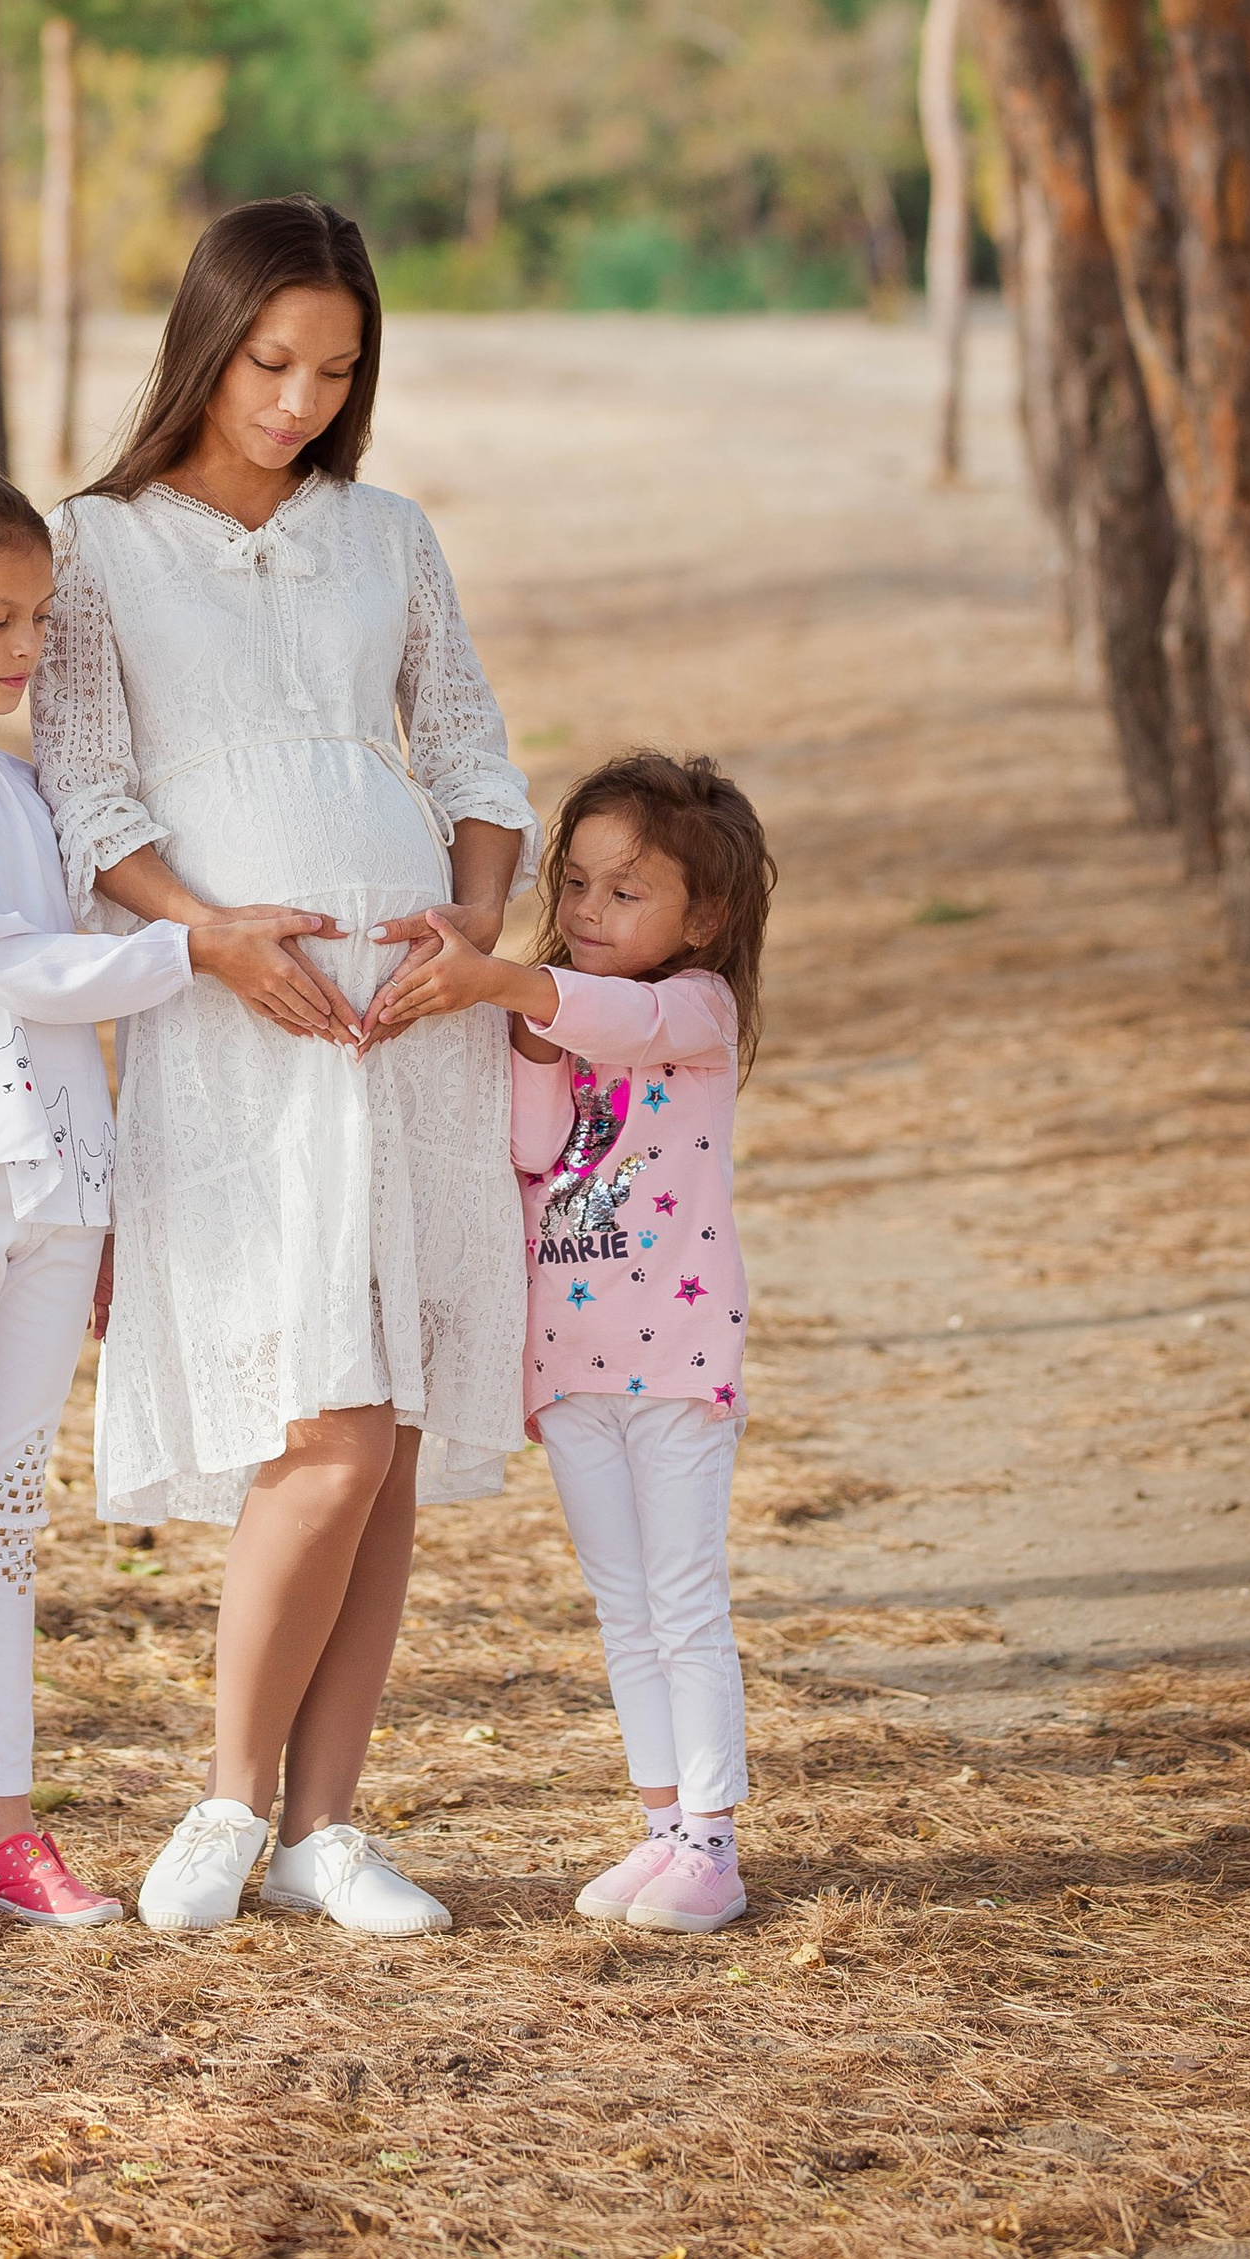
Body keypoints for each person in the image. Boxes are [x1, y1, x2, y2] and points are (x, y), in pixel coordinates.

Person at [30, 197, 536, 1939]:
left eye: (335, 371)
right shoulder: (94, 549)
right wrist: (215, 935)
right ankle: (229, 1803)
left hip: (408, 1031)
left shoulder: (387, 535)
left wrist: (472, 945)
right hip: (238, 1027)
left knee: (381, 1431)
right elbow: (88, 795)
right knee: (315, 1423)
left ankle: (329, 1829)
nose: (301, 401)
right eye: (270, 362)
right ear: (207, 342)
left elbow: (471, 749)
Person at [0, 459, 343, 1949]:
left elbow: (81, 977)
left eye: (40, 616)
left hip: (55, 1188)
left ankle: (4, 1829)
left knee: (5, 1515)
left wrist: (99, 1190)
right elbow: (9, 965)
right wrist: (202, 948)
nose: (26, 647)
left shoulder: (29, 784)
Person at [369, 748, 773, 1936]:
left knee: (684, 1596)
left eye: (625, 891)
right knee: (619, 1599)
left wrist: (506, 985)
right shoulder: (549, 1013)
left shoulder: (697, 1010)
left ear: (702, 914)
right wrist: (527, 1023)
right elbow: (536, 1147)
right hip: (573, 1360)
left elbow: (621, 1016)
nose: (588, 912)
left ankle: (714, 1838)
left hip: (678, 1358)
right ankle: (661, 1826)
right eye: (577, 884)